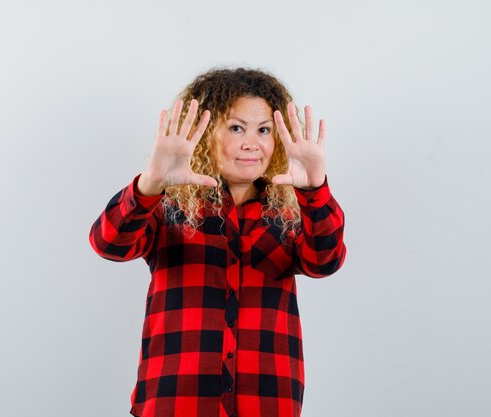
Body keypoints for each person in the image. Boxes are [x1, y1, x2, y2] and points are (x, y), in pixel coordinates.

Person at [89, 67, 347, 417]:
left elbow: (325, 262)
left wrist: (315, 190)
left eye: (264, 130)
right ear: (207, 133)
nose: (251, 143)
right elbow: (109, 244)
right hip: (175, 403)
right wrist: (149, 184)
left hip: (267, 404)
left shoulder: (289, 213)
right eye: (236, 128)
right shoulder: (168, 205)